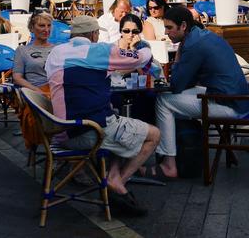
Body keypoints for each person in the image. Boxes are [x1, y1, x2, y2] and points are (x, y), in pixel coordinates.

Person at [45, 15, 158, 215]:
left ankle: (113, 177)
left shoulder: (55, 52)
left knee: (116, 121)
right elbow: (141, 58)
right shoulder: (99, 50)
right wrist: (143, 45)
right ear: (93, 34)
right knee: (154, 135)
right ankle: (117, 183)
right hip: (89, 131)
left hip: (58, 132)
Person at [155, 6, 249, 179]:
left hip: (230, 106)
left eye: (169, 27)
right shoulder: (206, 36)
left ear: (183, 26)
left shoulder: (192, 45)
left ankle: (169, 163)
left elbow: (176, 84)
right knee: (172, 99)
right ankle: (187, 147)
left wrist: (178, 56)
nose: (166, 32)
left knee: (163, 101)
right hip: (241, 100)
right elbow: (186, 84)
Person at [13, 13, 56, 148]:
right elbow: (17, 77)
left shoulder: (57, 48)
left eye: (49, 26)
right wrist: (36, 90)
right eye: (41, 25)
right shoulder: (22, 50)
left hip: (56, 89)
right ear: (32, 28)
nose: (46, 29)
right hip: (36, 90)